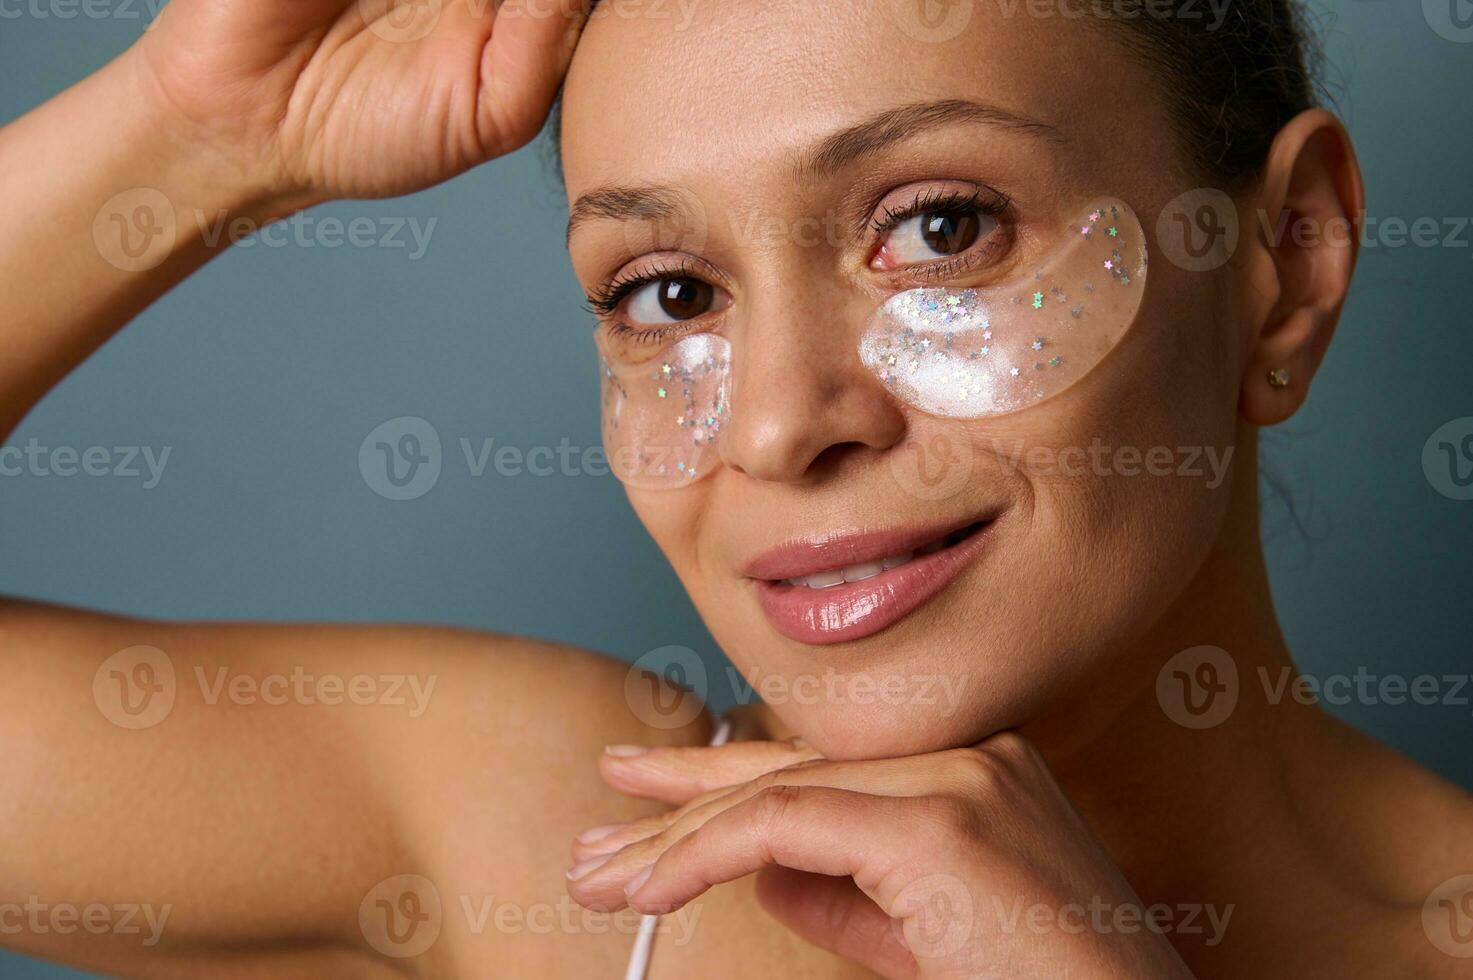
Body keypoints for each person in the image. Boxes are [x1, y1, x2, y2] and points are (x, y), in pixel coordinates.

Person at [2, 0, 1469, 976]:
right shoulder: (574, 869)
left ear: (1283, 263)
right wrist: (203, 132)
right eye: (668, 292)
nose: (774, 426)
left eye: (940, 227)